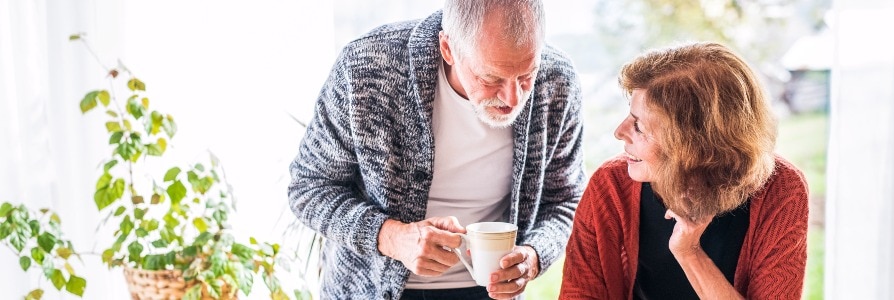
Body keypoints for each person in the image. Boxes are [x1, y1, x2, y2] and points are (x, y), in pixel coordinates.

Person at [288, 0, 585, 299]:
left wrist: (534, 256)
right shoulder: (366, 66)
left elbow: (566, 201)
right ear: (448, 48)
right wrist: (391, 237)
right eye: (491, 79)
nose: (513, 98)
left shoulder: (557, 81)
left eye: (526, 76)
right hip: (372, 289)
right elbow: (309, 187)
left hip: (488, 292)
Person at [559, 42, 809, 299]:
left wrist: (689, 252)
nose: (619, 132)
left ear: (693, 145)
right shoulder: (610, 185)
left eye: (639, 126)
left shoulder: (781, 188)